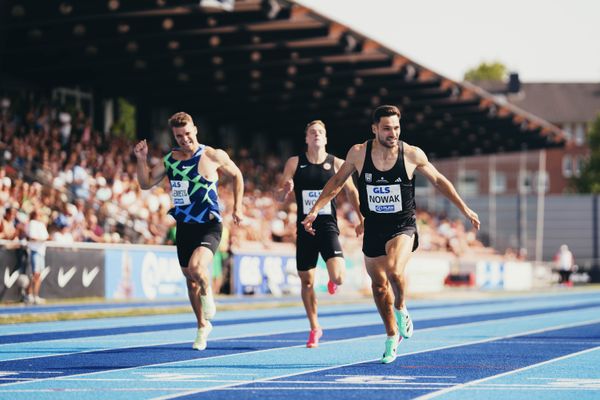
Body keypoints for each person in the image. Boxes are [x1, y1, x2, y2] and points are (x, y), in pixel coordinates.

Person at [302, 105, 480, 363]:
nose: (392, 133)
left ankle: (401, 308)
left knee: (395, 271)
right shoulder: (358, 153)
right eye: (387, 128)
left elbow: (439, 181)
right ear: (374, 129)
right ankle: (390, 336)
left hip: (403, 226)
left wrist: (464, 208)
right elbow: (336, 183)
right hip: (374, 226)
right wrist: (316, 210)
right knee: (378, 285)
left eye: (396, 128)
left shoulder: (411, 154)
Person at [134, 111, 244, 351]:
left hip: (209, 225)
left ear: (195, 129)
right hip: (184, 226)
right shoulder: (170, 160)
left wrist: (238, 207)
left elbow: (237, 175)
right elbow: (145, 183)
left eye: (187, 134)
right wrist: (142, 159)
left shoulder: (213, 155)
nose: (184, 139)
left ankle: (209, 295)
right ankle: (202, 326)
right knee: (189, 279)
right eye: (178, 136)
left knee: (197, 268)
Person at [278, 120, 363, 348]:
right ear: (306, 138)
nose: (316, 135)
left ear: (325, 138)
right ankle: (315, 327)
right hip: (304, 227)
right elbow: (280, 196)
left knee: (339, 277)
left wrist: (361, 218)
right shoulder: (295, 163)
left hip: (327, 226)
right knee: (306, 282)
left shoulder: (337, 163)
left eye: (320, 132)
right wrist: (284, 191)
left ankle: (332, 280)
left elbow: (353, 192)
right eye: (312, 132)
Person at [26, 210, 49, 304]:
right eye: (38, 214)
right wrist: (41, 239)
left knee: (38, 275)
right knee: (35, 274)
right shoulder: (32, 223)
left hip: (41, 252)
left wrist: (41, 239)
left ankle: (36, 295)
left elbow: (46, 237)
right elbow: (32, 237)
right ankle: (29, 294)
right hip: (35, 251)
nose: (39, 216)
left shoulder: (41, 224)